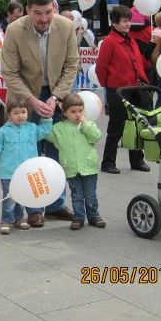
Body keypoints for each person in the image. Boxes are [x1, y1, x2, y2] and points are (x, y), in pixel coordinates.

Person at [1, 0, 77, 228]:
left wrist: (55, 97)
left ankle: (55, 204)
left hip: (57, 95)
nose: (44, 18)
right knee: (27, 153)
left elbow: (71, 67)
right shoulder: (14, 31)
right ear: (27, 11)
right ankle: (33, 208)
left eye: (48, 12)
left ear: (54, 8)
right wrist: (32, 101)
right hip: (25, 98)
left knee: (57, 150)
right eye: (38, 13)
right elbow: (9, 73)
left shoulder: (66, 27)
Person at [96, 5, 150, 175]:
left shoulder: (130, 40)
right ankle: (108, 162)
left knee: (137, 125)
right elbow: (101, 68)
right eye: (124, 21)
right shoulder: (109, 42)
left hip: (134, 87)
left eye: (129, 21)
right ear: (114, 23)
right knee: (116, 127)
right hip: (118, 89)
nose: (128, 24)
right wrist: (109, 85)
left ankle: (137, 160)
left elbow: (139, 62)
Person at [0, 97, 52, 234]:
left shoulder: (32, 128)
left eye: (23, 112)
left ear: (28, 112)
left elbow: (45, 130)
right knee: (10, 198)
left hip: (27, 172)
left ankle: (19, 219)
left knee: (22, 196)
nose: (20, 116)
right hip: (9, 172)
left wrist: (47, 118)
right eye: (16, 113)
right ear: (8, 114)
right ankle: (6, 220)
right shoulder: (3, 131)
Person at [46, 93, 105, 230]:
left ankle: (94, 215)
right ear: (65, 113)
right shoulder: (59, 128)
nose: (78, 114)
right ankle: (78, 217)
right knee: (77, 195)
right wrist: (47, 119)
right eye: (73, 112)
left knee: (90, 195)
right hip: (71, 168)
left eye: (80, 111)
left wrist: (85, 124)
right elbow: (47, 134)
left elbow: (96, 136)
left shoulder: (88, 124)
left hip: (89, 167)